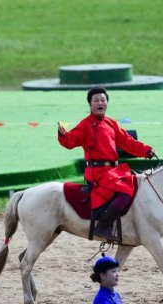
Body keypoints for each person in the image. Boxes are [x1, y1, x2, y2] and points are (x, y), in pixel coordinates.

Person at [57, 85, 156, 241]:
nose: (99, 102)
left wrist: (146, 150)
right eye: (96, 100)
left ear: (107, 103)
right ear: (90, 105)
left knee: (133, 185)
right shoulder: (85, 125)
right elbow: (70, 141)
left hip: (112, 172)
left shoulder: (111, 123)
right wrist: (63, 135)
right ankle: (103, 227)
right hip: (97, 173)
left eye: (102, 99)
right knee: (125, 192)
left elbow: (127, 141)